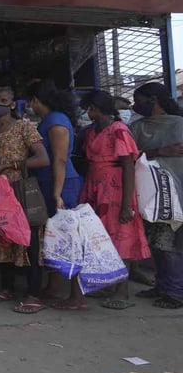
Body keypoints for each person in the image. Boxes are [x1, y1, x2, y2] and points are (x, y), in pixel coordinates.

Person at [0, 86, 50, 314]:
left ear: (12, 104)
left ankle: (33, 294)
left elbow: (43, 158)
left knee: (27, 239)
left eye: (3, 100)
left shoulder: (23, 127)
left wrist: (9, 166)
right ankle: (6, 288)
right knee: (1, 237)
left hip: (19, 190)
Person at [80, 91, 150, 309]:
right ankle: (109, 283)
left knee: (121, 238)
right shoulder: (93, 130)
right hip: (95, 187)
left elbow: (128, 166)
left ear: (96, 108)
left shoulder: (119, 130)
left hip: (116, 190)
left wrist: (127, 204)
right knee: (100, 237)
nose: (87, 112)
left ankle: (123, 291)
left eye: (89, 108)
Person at [24, 80, 85, 308]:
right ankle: (54, 286)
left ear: (36, 101)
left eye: (30, 101)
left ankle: (77, 296)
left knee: (68, 237)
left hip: (61, 185)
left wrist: (57, 194)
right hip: (51, 183)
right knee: (53, 237)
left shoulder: (56, 122)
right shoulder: (50, 120)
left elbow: (59, 159)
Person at [129, 83, 183, 309]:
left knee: (168, 243)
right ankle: (163, 285)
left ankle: (175, 292)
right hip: (150, 192)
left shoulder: (179, 124)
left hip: (175, 192)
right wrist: (158, 151)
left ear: (153, 100)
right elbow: (127, 155)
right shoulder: (137, 126)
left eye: (139, 99)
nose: (135, 104)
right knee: (157, 243)